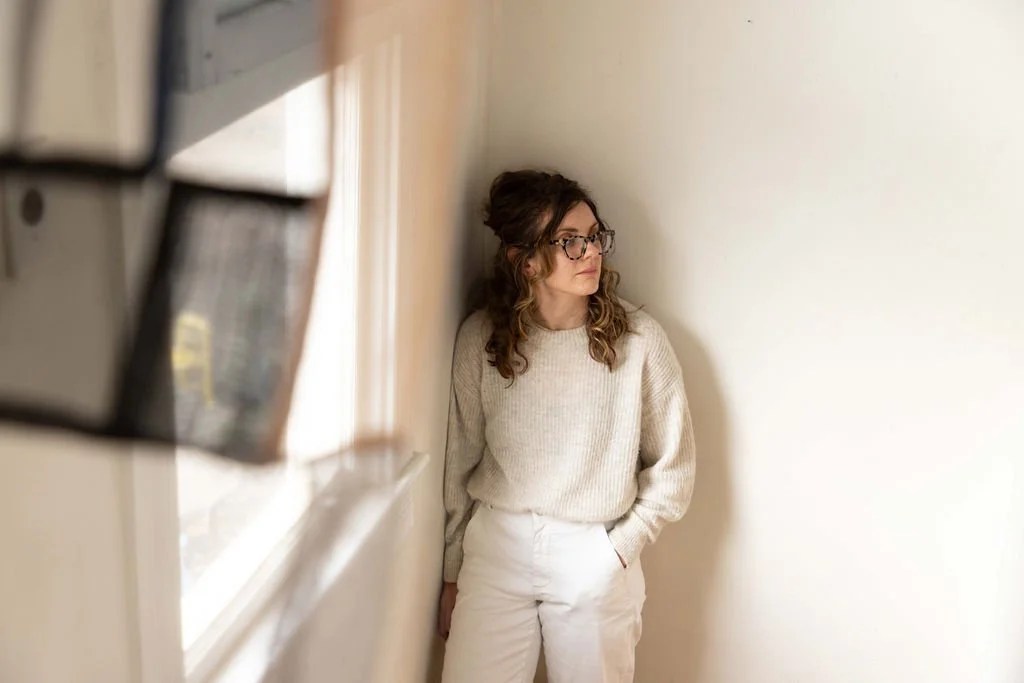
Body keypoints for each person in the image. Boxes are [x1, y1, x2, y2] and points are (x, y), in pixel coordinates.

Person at [438, 170, 696, 682]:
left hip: (594, 549)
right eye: (570, 241)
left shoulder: (639, 341)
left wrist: (618, 551)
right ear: (525, 260)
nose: (591, 252)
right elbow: (459, 460)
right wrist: (451, 573)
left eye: (595, 236)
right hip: (495, 549)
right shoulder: (482, 339)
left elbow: (674, 469)